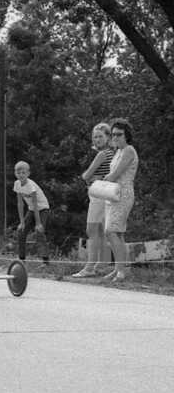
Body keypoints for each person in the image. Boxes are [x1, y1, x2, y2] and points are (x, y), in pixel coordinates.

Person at [72, 123, 115, 278]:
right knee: (102, 232)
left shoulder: (102, 154)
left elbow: (86, 175)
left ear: (108, 137)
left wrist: (88, 176)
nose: (97, 139)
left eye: (100, 136)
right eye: (95, 137)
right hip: (107, 194)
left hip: (98, 195)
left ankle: (89, 267)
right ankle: (101, 266)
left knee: (91, 230)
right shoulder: (112, 153)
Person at [102, 118, 139, 282]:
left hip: (123, 194)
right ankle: (119, 270)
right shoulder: (118, 151)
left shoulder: (129, 150)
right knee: (117, 232)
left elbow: (115, 174)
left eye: (119, 134)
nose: (115, 137)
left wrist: (102, 180)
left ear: (127, 135)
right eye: (113, 134)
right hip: (113, 193)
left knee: (110, 231)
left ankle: (121, 271)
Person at [13, 161, 50, 266]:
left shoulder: (31, 185)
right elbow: (20, 203)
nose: (21, 175)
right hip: (31, 209)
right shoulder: (17, 184)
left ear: (28, 173)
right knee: (21, 231)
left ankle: (45, 261)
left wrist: (38, 223)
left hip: (42, 209)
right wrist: (22, 222)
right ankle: (22, 260)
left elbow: (35, 203)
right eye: (18, 173)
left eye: (23, 173)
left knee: (39, 232)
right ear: (16, 173)